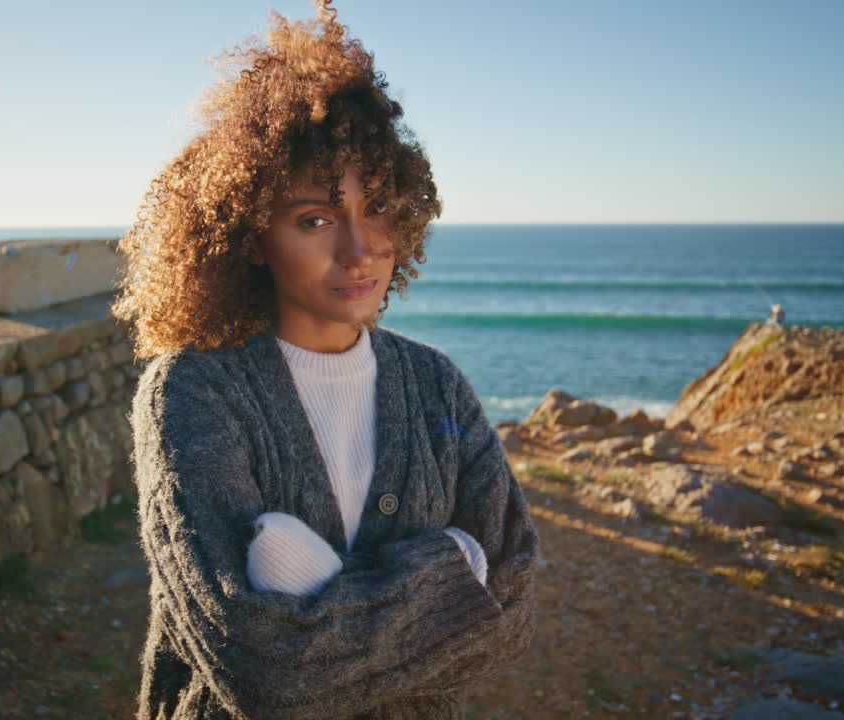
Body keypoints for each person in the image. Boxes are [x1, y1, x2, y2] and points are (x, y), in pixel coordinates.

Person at [111, 2, 540, 718]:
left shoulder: (437, 387)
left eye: (377, 207)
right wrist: (454, 566)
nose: (360, 247)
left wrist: (316, 592)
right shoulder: (191, 392)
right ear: (251, 238)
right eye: (314, 218)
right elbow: (259, 668)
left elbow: (513, 605)